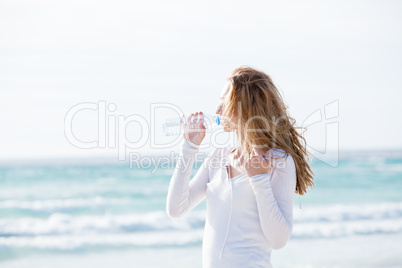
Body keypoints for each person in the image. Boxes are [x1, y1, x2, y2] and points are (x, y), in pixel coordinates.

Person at [166, 66, 315, 268]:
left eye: (224, 102)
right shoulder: (219, 156)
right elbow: (176, 209)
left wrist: (259, 179)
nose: (217, 110)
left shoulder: (278, 161)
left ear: (245, 106)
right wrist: (189, 147)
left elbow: (278, 240)